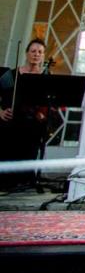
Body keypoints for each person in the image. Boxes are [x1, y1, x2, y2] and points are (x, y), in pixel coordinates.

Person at [0, 39, 50, 188]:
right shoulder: (11, 75)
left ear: (43, 56)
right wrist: (0, 112)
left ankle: (25, 182)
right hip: (11, 121)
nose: (36, 55)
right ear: (26, 53)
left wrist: (43, 113)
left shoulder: (46, 76)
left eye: (40, 52)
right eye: (33, 51)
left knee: (30, 152)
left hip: (33, 123)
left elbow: (49, 101)